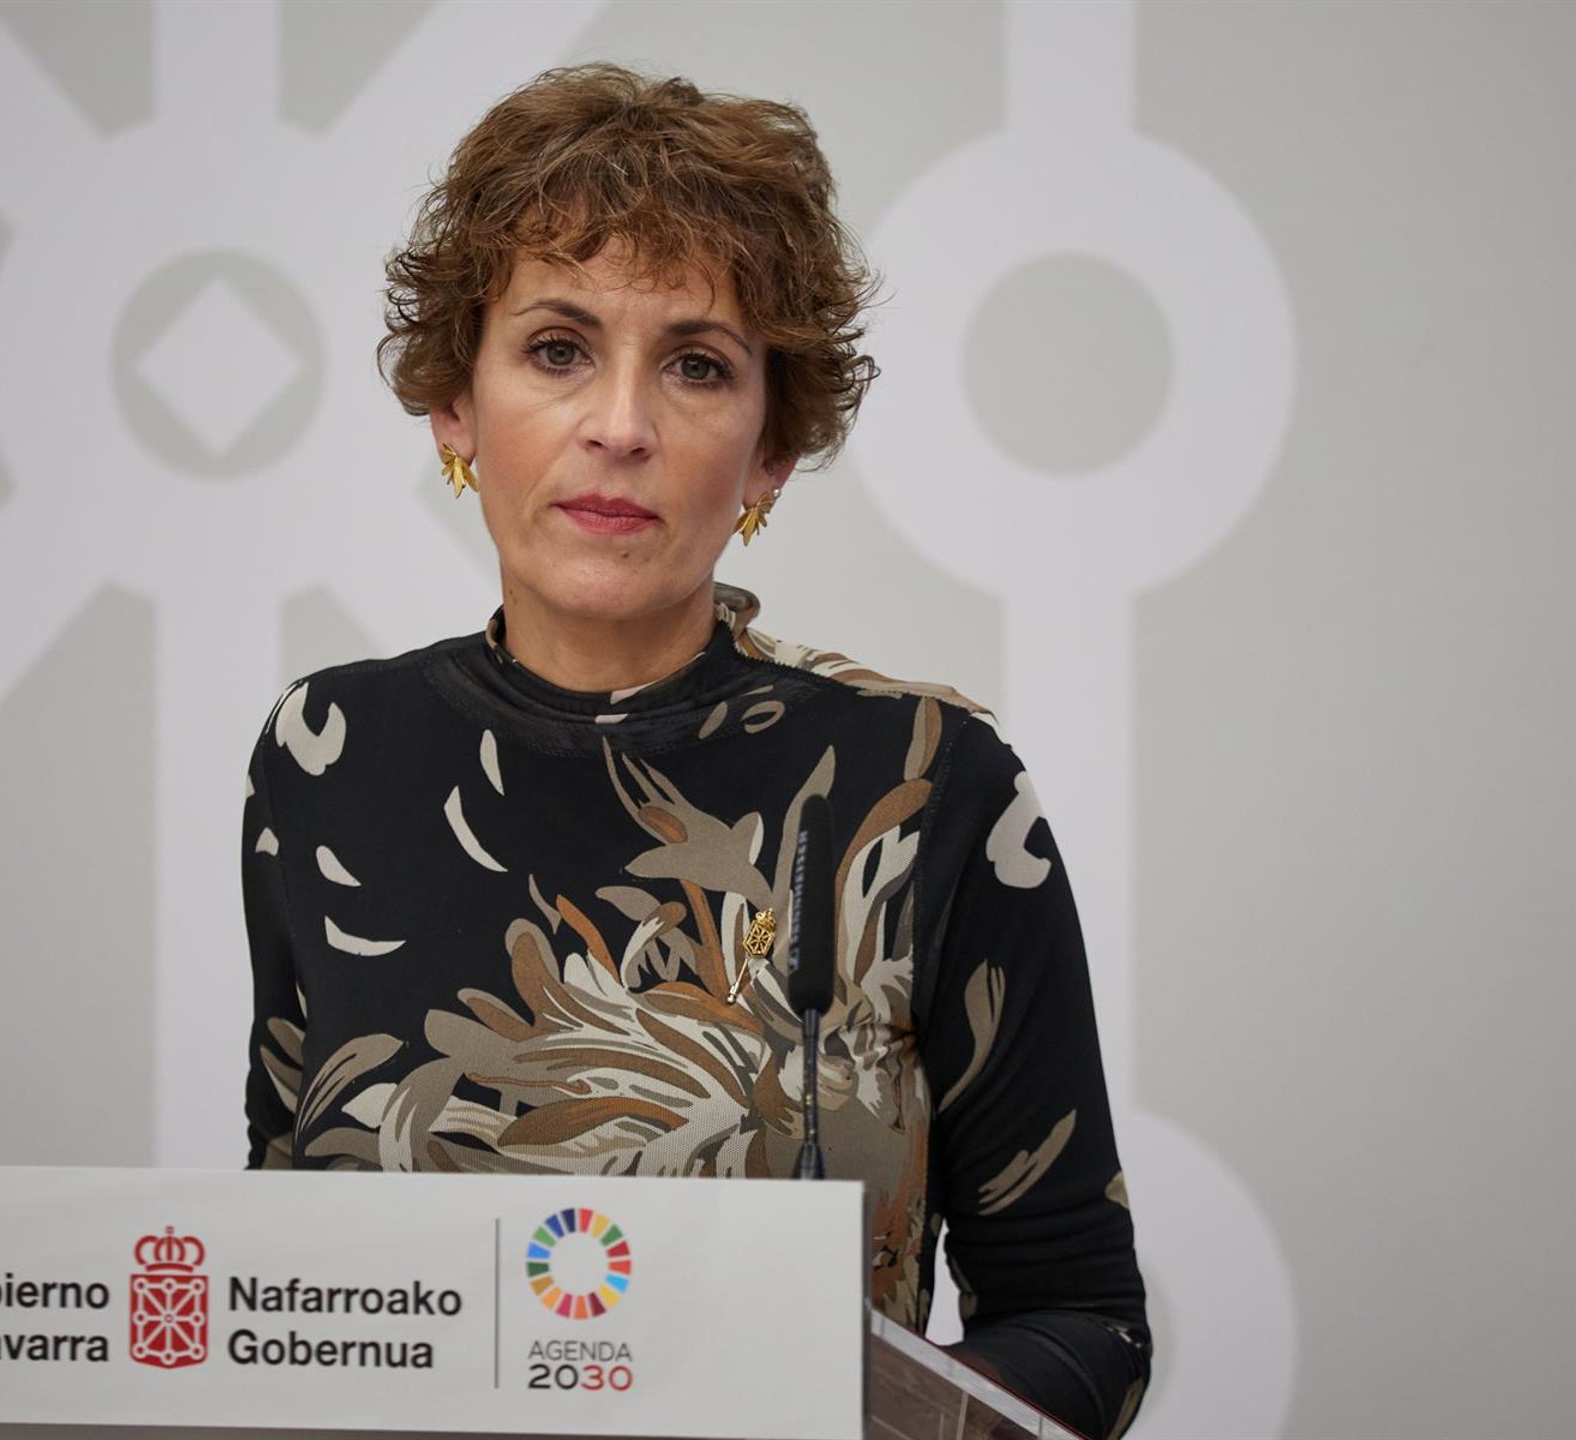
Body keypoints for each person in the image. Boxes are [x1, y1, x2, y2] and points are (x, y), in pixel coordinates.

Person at [241, 64, 1150, 1438]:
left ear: (772, 451)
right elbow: (276, 1265)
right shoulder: (328, 758)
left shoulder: (926, 782)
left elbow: (1084, 1322)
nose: (621, 425)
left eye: (698, 365)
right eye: (558, 349)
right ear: (454, 407)